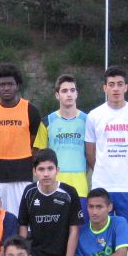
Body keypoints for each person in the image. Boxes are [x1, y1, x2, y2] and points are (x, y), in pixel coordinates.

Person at [85, 66, 128, 256]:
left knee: (126, 240)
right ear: (104, 88)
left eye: (120, 84)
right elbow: (90, 151)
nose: (115, 89)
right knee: (99, 238)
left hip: (127, 187)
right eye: (111, 84)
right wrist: (103, 171)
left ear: (126, 87)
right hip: (102, 186)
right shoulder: (94, 115)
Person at [17, 148, 83, 256]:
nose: (46, 173)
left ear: (57, 170)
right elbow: (23, 226)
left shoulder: (69, 193)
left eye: (50, 168)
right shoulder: (29, 192)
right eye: (41, 169)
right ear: (34, 171)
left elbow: (74, 231)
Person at [0, 63, 45, 218]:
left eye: (10, 84)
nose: (6, 88)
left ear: (17, 86)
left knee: (21, 219)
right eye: (2, 85)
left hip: (22, 175)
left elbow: (34, 144)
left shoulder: (31, 111)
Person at [34, 74, 89, 214]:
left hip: (80, 187)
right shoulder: (47, 122)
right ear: (57, 95)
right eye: (64, 91)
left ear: (77, 93)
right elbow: (40, 157)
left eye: (72, 90)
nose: (69, 94)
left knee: (79, 226)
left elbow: (91, 153)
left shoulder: (87, 121)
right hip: (54, 187)